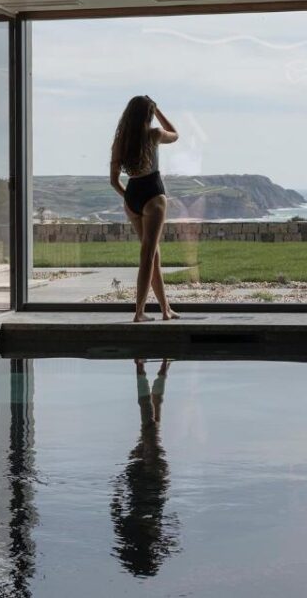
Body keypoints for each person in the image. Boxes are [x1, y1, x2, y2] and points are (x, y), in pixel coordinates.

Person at [109, 96, 180, 322]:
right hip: (153, 194)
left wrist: (130, 197)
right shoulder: (154, 134)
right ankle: (139, 312)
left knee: (153, 254)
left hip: (132, 197)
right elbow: (175, 134)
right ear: (148, 115)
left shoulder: (120, 142)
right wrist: (158, 110)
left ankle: (165, 309)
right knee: (148, 255)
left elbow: (114, 181)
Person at [110, 358, 178, 577]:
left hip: (155, 480)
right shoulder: (132, 534)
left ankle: (156, 370)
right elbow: (116, 509)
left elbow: (171, 529)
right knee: (150, 425)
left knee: (152, 422)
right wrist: (121, 482)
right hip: (143, 478)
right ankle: (146, 369)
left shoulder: (143, 536)